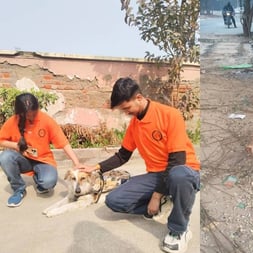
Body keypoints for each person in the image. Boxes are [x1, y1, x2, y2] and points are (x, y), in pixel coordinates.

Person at [76, 78, 200, 253]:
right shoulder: (135, 125)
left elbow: (177, 160)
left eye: (127, 108)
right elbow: (123, 155)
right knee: (114, 200)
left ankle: (179, 230)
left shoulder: (170, 115)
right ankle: (167, 202)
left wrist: (156, 195)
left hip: (185, 171)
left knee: (178, 175)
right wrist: (96, 168)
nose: (126, 113)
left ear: (139, 98)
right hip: (156, 175)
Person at [0, 93, 86, 207]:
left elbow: (63, 143)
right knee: (5, 157)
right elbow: (1, 140)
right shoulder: (13, 121)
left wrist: (77, 163)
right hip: (23, 160)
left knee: (48, 182)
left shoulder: (46, 121)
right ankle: (18, 189)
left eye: (34, 114)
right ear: (20, 113)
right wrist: (16, 146)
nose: (31, 117)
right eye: (28, 115)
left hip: (43, 160)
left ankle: (39, 178)